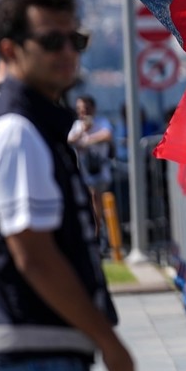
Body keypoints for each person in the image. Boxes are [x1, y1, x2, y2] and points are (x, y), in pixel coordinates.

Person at [0, 0, 134, 371]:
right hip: (34, 360)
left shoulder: (39, 125)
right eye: (50, 41)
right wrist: (109, 343)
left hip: (43, 355)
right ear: (10, 50)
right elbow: (34, 257)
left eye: (75, 40)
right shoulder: (17, 130)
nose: (66, 53)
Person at [68, 95, 115, 253]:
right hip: (84, 175)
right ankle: (95, 236)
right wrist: (83, 130)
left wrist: (88, 140)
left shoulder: (101, 123)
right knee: (89, 206)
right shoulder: (77, 126)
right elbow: (70, 140)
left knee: (98, 200)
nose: (83, 113)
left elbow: (107, 135)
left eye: (86, 109)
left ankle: (101, 236)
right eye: (80, 110)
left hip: (100, 175)